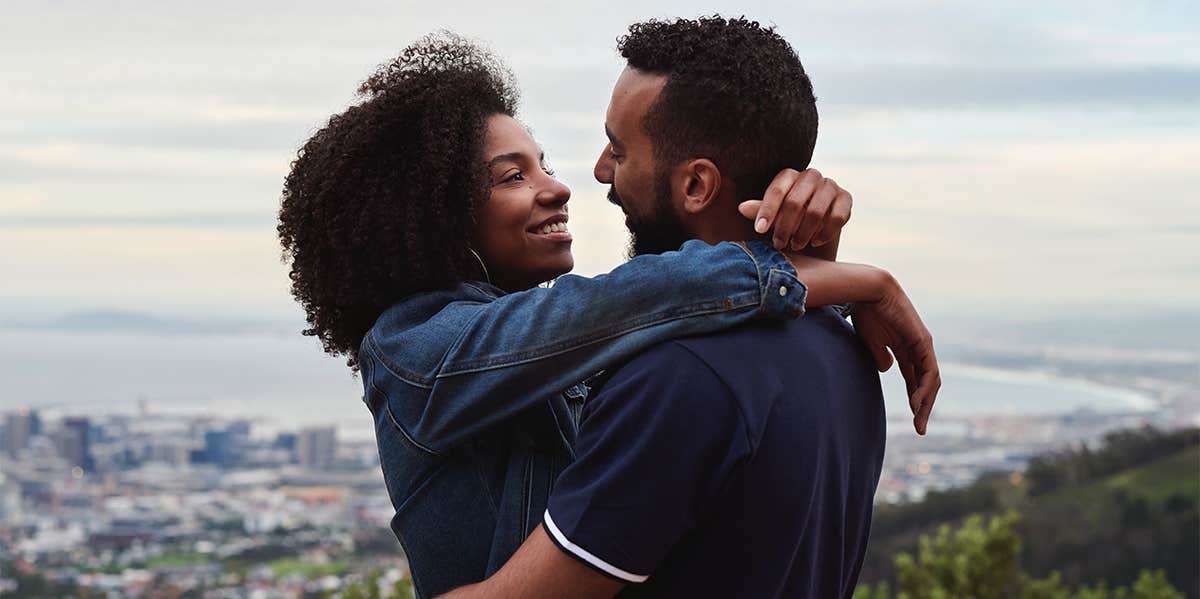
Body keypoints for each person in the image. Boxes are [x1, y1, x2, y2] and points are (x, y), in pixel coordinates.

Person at [277, 33, 938, 599]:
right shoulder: (415, 351)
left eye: (546, 164)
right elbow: (617, 303)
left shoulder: (658, 370)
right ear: (437, 219)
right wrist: (841, 279)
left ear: (697, 182)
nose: (567, 183)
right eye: (512, 176)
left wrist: (805, 251)